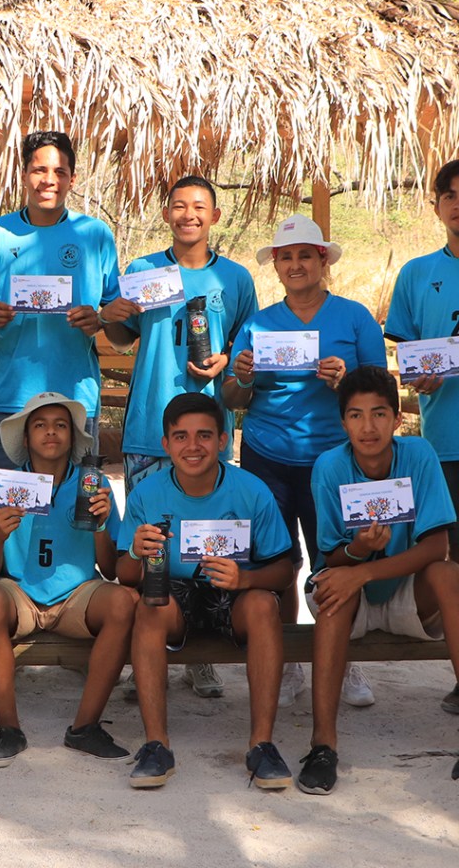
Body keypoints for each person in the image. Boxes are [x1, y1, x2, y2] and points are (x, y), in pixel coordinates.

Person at [102, 175, 258, 701]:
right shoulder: (144, 270)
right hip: (149, 424)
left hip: (208, 429)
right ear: (167, 214)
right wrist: (117, 316)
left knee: (205, 536)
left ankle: (200, 654)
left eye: (200, 207)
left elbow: (246, 345)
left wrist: (227, 358)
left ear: (214, 216)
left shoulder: (235, 279)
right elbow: (122, 336)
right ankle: (146, 652)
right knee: (150, 542)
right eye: (179, 206)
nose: (189, 214)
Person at [223, 213, 387, 709]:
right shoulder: (258, 322)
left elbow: (379, 391)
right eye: (286, 257)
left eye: (305, 256)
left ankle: (346, 660)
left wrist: (347, 379)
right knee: (277, 559)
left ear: (322, 261)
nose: (296, 265)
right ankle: (290, 661)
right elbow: (231, 397)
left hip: (333, 459)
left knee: (333, 558)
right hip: (266, 454)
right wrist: (245, 378)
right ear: (275, 266)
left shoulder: (354, 317)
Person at [118, 393, 293, 791]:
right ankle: (156, 745)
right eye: (180, 437)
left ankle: (262, 745)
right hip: (173, 593)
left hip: (235, 590)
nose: (192, 447)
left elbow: (283, 569)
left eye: (204, 436)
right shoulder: (146, 493)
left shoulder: (251, 490)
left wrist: (245, 580)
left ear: (223, 440)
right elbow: (124, 574)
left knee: (266, 604)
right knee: (148, 604)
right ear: (165, 445)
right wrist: (135, 550)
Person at [298, 366, 459, 794]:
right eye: (355, 415)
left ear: (397, 419)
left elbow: (434, 547)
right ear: (342, 421)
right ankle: (323, 745)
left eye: (379, 414)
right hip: (351, 596)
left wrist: (365, 569)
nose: (368, 427)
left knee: (449, 573)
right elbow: (331, 554)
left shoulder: (420, 455)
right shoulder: (330, 466)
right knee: (334, 590)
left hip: (405, 594)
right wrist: (359, 552)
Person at [0, 392, 134, 769]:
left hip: (77, 593)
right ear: (26, 438)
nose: (51, 432)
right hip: (20, 593)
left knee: (123, 602)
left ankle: (85, 726)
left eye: (61, 425)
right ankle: (8, 729)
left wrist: (99, 527)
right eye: (40, 425)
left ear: (73, 437)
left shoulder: (93, 484)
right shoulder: (5, 486)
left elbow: (111, 569)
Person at [0, 131, 118, 468]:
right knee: (11, 509)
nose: (48, 180)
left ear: (72, 179)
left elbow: (114, 312)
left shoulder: (95, 235)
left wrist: (100, 320)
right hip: (11, 397)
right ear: (23, 175)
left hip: (76, 398)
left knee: (76, 509)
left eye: (59, 172)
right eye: (39, 170)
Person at [385, 159, 459, 573]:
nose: (457, 204)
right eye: (449, 196)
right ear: (436, 206)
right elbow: (409, 363)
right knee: (447, 563)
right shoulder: (416, 274)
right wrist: (420, 380)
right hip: (443, 444)